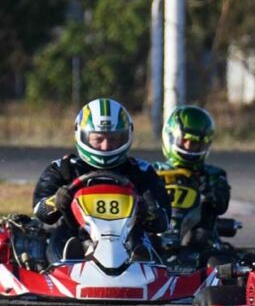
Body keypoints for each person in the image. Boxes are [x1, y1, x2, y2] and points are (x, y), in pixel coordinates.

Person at [32, 98, 171, 262]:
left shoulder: (141, 171)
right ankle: (64, 269)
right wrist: (57, 201)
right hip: (76, 234)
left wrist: (150, 211)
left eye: (113, 139)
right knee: (59, 236)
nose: (106, 147)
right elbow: (39, 211)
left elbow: (164, 222)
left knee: (147, 241)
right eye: (98, 139)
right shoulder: (64, 168)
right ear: (83, 136)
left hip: (128, 237)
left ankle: (141, 268)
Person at [153, 105, 231, 255]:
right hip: (156, 233)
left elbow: (221, 205)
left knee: (209, 247)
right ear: (171, 138)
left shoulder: (213, 174)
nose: (188, 147)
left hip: (200, 238)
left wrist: (207, 192)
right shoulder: (154, 170)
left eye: (195, 143)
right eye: (184, 141)